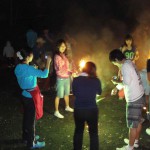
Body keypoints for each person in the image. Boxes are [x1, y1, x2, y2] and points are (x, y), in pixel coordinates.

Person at [14, 48, 51, 149]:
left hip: (25, 95)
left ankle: (26, 137)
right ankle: (32, 142)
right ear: (27, 57)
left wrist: (33, 69)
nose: (32, 56)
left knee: (27, 117)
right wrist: (48, 62)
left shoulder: (18, 67)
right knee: (31, 121)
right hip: (31, 97)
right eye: (31, 55)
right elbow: (45, 74)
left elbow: (27, 75)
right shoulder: (29, 69)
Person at [109, 49, 144, 150]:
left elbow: (127, 83)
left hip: (134, 98)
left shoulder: (125, 66)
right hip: (140, 94)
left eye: (114, 63)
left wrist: (116, 86)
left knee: (132, 125)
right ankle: (135, 142)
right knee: (138, 121)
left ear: (116, 59)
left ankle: (130, 147)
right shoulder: (129, 61)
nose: (115, 65)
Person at [72, 62, 102, 150]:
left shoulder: (76, 79)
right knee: (93, 133)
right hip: (92, 109)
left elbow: (74, 93)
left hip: (79, 109)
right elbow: (99, 92)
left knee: (78, 131)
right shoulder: (96, 80)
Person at [54, 39, 74, 118]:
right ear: (58, 47)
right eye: (62, 46)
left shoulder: (63, 55)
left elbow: (68, 66)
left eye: (64, 46)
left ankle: (67, 106)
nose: (63, 47)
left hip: (66, 77)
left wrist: (71, 71)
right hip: (61, 79)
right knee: (58, 95)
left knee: (67, 94)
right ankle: (56, 111)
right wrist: (70, 71)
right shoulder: (57, 56)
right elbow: (60, 69)